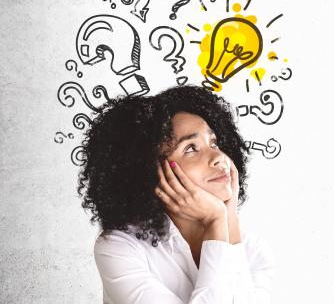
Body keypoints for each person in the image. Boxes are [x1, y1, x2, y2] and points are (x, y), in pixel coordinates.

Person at [77, 84, 275, 304]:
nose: (219, 156)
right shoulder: (119, 249)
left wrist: (228, 220)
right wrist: (216, 221)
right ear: (149, 171)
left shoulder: (254, 251)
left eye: (214, 142)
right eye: (190, 148)